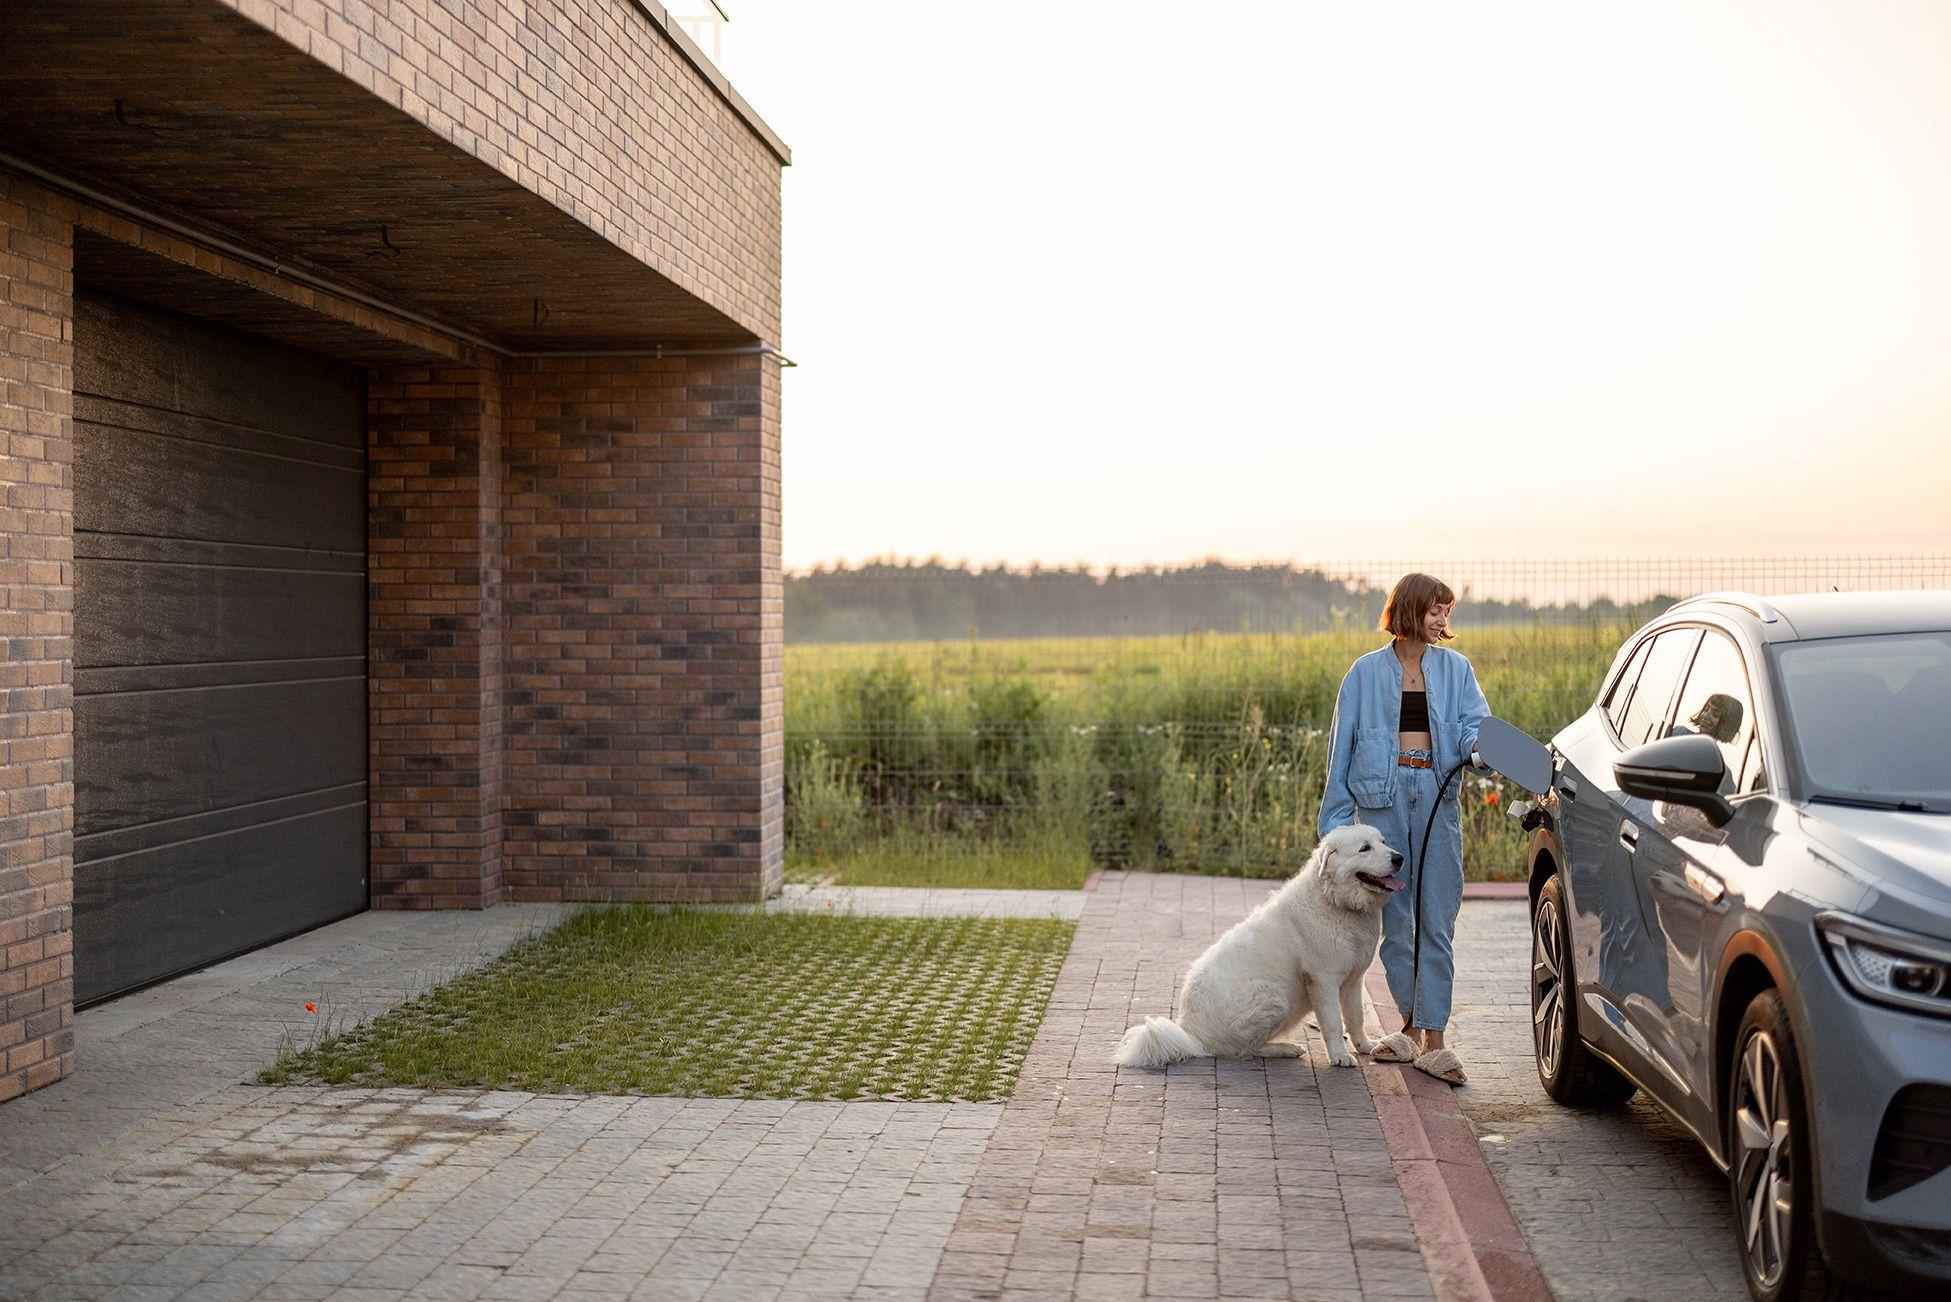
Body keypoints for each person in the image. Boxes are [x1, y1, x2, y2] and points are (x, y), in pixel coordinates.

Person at [1317, 572, 1489, 1086]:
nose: (1443, 621)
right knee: (1396, 924)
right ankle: (1410, 1029)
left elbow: (1477, 728)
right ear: (1411, 611)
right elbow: (1340, 751)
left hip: (1437, 800)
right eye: (1436, 611)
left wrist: (1481, 752)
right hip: (1380, 807)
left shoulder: (1457, 670)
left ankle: (1436, 1038)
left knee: (1437, 918)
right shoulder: (1364, 674)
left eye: (1447, 613)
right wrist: (1334, 826)